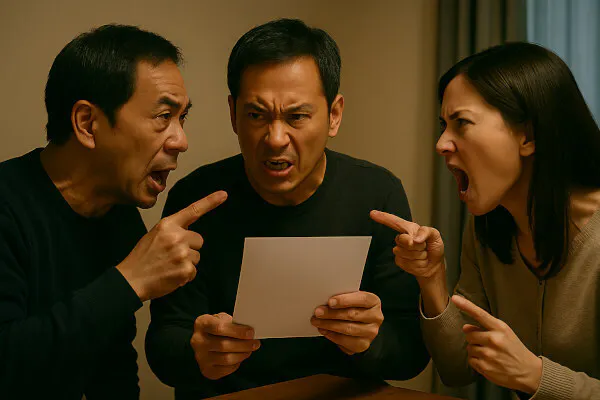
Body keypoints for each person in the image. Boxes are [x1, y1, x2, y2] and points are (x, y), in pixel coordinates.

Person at [145, 18, 430, 399]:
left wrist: (371, 340)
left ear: (334, 115)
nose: (276, 138)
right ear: (233, 114)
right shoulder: (197, 199)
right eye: (256, 115)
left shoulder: (376, 195)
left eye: (296, 117)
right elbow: (163, 342)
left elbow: (411, 355)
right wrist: (197, 353)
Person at [0, 24, 226, 399]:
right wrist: (129, 282)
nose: (181, 140)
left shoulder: (118, 215)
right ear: (88, 124)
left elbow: (111, 367)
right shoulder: (9, 207)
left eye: (181, 118)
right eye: (163, 116)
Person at [372, 42, 600, 400]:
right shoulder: (489, 226)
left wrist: (536, 376)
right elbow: (457, 368)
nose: (441, 144)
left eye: (461, 123)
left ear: (528, 135)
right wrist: (432, 279)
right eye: (444, 125)